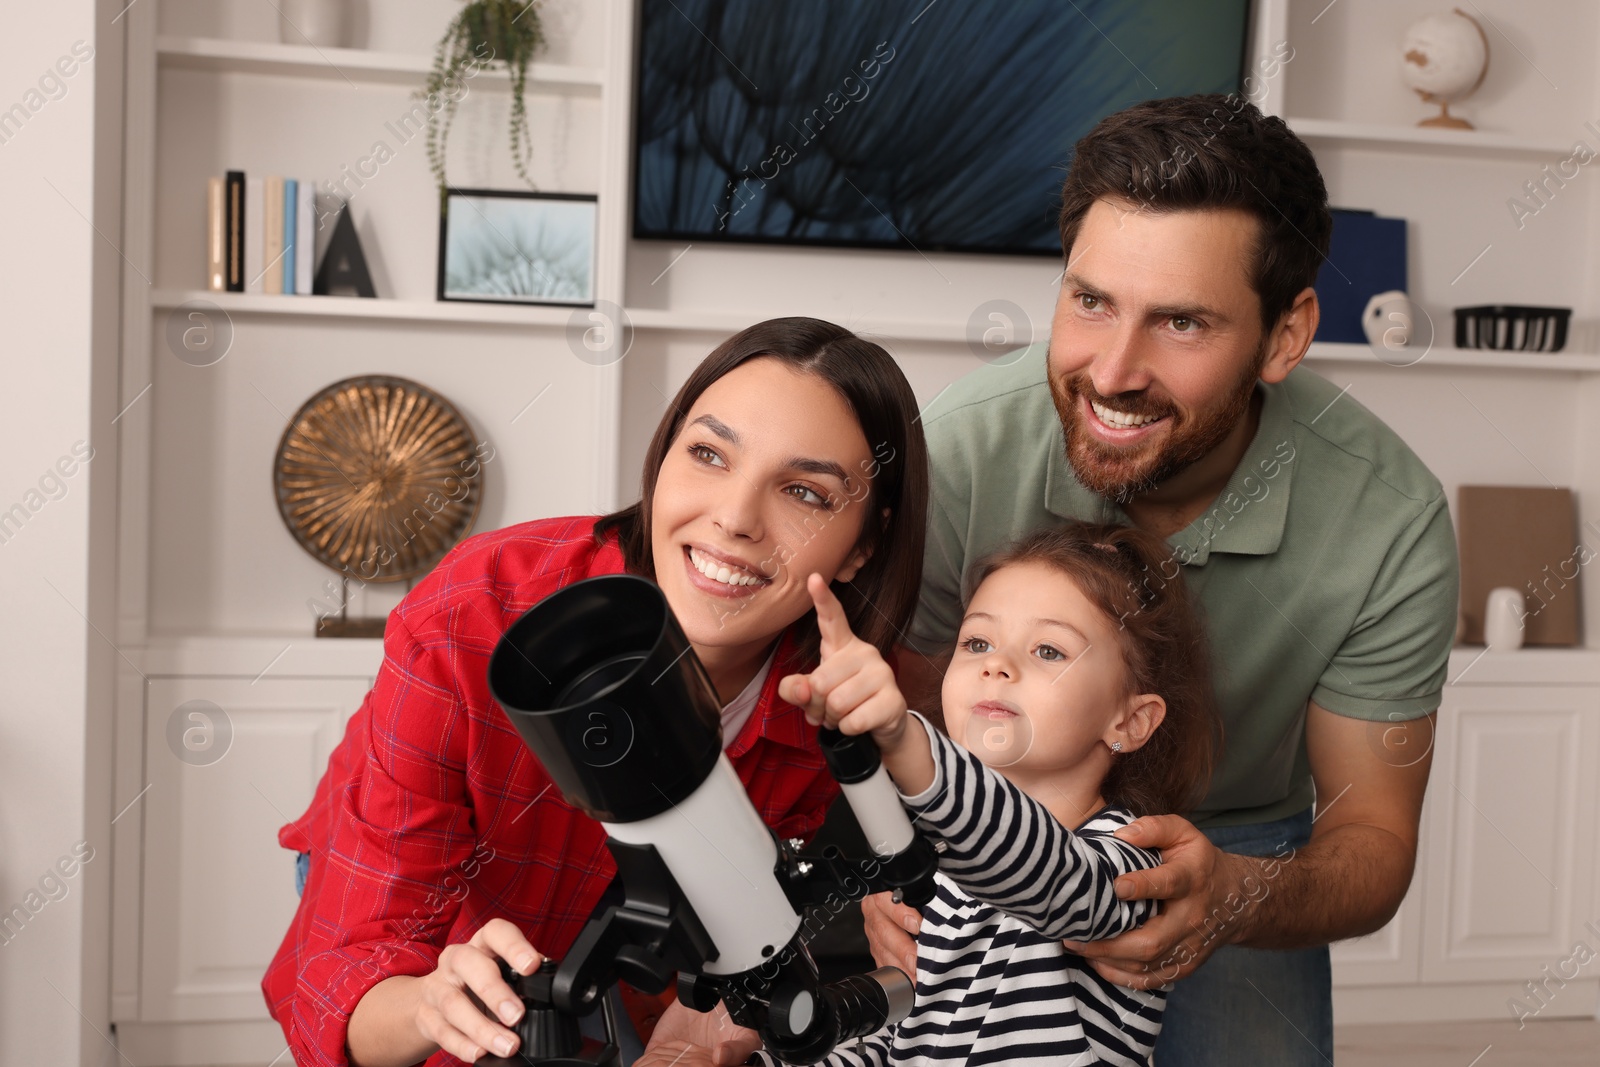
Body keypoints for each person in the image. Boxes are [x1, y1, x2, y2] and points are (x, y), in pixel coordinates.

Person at [864, 94, 1460, 1065]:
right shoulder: (965, 447)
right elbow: (907, 711)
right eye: (1089, 300)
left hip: (1235, 839)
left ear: (1284, 333)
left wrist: (1232, 894)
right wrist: (895, 866)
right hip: (990, 818)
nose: (1112, 370)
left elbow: (1372, 839)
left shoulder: (1389, 519)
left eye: (1180, 321)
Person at [261, 316, 930, 1067]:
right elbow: (346, 984)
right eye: (708, 453)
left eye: (804, 492)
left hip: (616, 933)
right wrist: (429, 1003)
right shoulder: (477, 615)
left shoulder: (838, 692)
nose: (735, 519)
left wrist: (884, 885)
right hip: (423, 910)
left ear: (864, 545)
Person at [642, 521, 1221, 1067]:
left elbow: (1046, 875)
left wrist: (902, 737)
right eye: (976, 643)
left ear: (1131, 721)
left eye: (1049, 651)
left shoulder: (1132, 865)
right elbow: (898, 1044)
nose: (996, 665)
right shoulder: (930, 874)